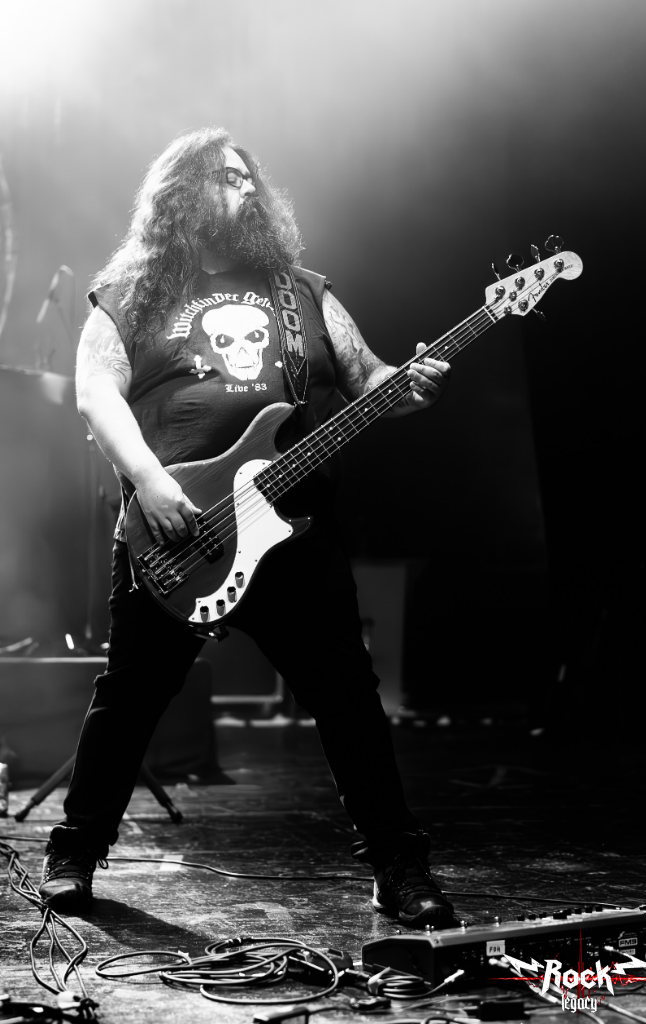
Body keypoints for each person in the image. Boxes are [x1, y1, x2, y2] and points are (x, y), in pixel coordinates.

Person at [39, 127, 453, 928]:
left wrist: (407, 388)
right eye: (225, 177)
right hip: (179, 530)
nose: (245, 188)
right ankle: (75, 854)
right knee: (129, 699)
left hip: (292, 532)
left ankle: (399, 867)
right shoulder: (134, 291)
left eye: (248, 176)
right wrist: (151, 481)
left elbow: (368, 378)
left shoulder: (302, 292)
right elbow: (95, 391)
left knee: (348, 699)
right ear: (180, 194)